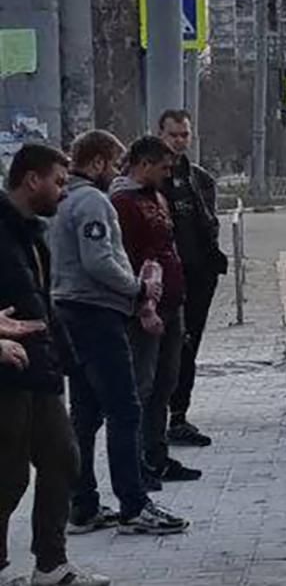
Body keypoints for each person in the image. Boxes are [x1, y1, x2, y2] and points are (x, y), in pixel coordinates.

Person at [50, 130, 189, 537]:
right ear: (96, 163)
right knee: (125, 409)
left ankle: (83, 504)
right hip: (96, 312)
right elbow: (100, 261)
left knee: (86, 414)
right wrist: (138, 288)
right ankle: (134, 504)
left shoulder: (61, 200)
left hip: (68, 310)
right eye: (113, 164)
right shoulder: (93, 200)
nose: (117, 172)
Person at [0, 143, 109, 586]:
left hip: (39, 368)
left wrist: (67, 357)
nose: (64, 193)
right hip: (5, 372)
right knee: (7, 479)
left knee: (63, 457)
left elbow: (41, 302)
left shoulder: (30, 232)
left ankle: (51, 565)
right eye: (59, 182)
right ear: (32, 180)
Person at [110, 137, 201, 485]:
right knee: (142, 386)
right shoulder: (122, 202)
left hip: (171, 303)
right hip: (143, 309)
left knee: (166, 383)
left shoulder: (156, 197)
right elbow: (126, 258)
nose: (168, 174)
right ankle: (137, 465)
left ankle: (157, 455)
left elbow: (167, 244)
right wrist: (143, 302)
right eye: (163, 167)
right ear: (143, 164)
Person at [158, 110, 226, 447]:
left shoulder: (199, 178)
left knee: (188, 347)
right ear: (160, 134)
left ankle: (179, 416)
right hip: (165, 280)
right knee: (166, 350)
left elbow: (208, 224)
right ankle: (158, 419)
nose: (180, 141)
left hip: (198, 275)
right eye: (174, 135)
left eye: (185, 135)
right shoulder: (150, 178)